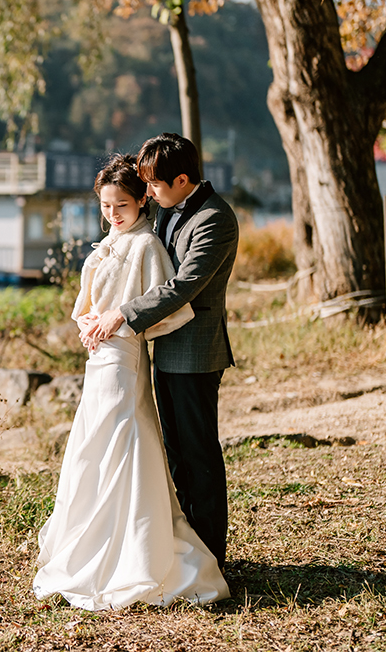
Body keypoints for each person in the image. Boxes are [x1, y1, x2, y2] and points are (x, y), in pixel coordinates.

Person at [33, 153, 229, 610]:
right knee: (95, 444)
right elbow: (87, 301)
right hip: (98, 358)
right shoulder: (118, 238)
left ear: (142, 199)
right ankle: (96, 542)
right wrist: (88, 322)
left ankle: (173, 553)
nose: (113, 213)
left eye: (121, 204)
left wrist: (117, 321)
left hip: (125, 355)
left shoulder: (150, 242)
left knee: (137, 441)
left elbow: (174, 297)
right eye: (105, 206)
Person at [81, 133, 238, 570]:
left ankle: (211, 557)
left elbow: (182, 285)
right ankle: (186, 546)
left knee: (198, 452)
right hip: (161, 347)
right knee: (174, 451)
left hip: (194, 351)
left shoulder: (214, 219)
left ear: (183, 178)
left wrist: (121, 314)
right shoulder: (169, 210)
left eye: (154, 184)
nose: (148, 192)